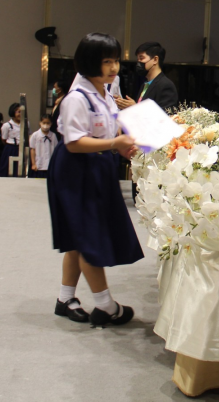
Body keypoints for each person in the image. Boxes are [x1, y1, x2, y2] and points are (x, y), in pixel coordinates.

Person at [48, 32, 143, 327]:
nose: (113, 67)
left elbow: (107, 133)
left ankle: (65, 299)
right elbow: (74, 143)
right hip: (76, 169)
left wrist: (121, 147)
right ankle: (106, 306)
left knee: (78, 238)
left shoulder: (104, 94)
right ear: (90, 62)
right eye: (106, 62)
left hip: (98, 166)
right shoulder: (76, 98)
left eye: (115, 61)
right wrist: (114, 144)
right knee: (89, 237)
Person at [114, 41, 178, 113]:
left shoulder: (165, 85)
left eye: (141, 58)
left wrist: (135, 107)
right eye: (138, 59)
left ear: (155, 59)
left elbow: (165, 115)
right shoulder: (145, 84)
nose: (138, 63)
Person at [0, 103, 24, 178]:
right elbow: (4, 139)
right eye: (18, 112)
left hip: (22, 148)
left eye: (22, 112)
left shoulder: (26, 124)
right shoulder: (7, 125)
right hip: (10, 149)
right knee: (7, 169)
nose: (20, 114)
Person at [29, 114, 58, 179]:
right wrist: (33, 164)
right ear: (40, 123)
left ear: (51, 123)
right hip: (39, 164)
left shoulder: (53, 135)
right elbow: (32, 149)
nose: (46, 125)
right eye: (44, 123)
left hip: (49, 165)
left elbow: (56, 150)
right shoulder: (35, 135)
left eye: (48, 123)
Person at [49, 75, 72, 142]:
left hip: (60, 135)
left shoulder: (65, 101)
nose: (53, 89)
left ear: (60, 90)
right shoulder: (57, 101)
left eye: (55, 87)